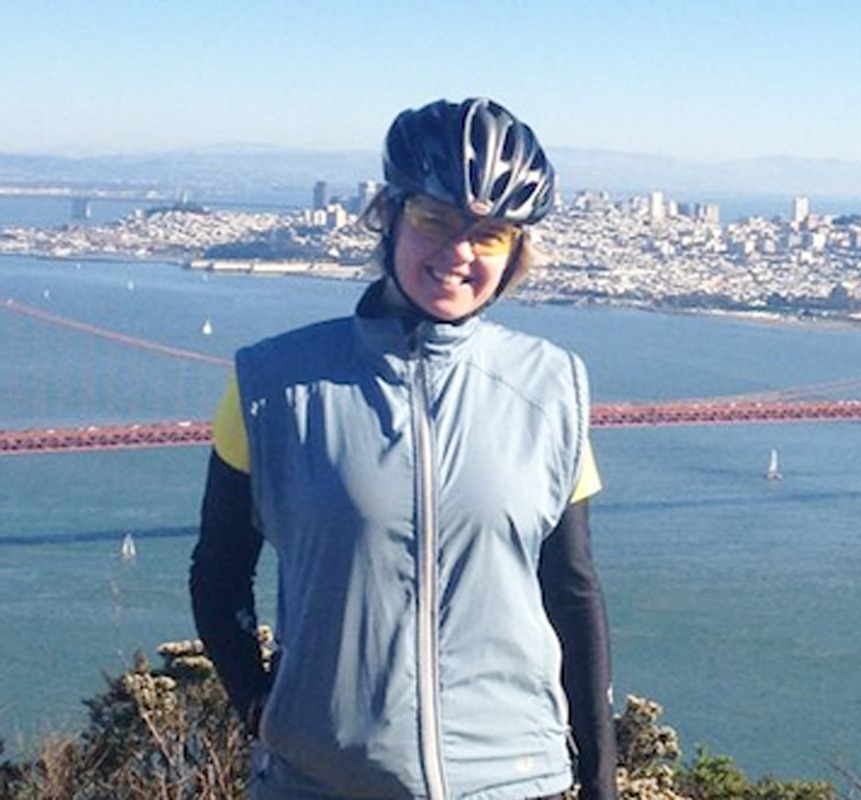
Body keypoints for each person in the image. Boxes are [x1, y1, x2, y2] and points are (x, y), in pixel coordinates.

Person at [190, 97, 617, 800]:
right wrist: (261, 708)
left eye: (490, 234)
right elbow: (218, 571)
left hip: (514, 781)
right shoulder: (270, 385)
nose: (457, 254)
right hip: (319, 783)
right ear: (386, 215)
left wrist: (599, 780)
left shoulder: (552, 390)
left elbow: (571, 591)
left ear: (516, 252)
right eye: (435, 219)